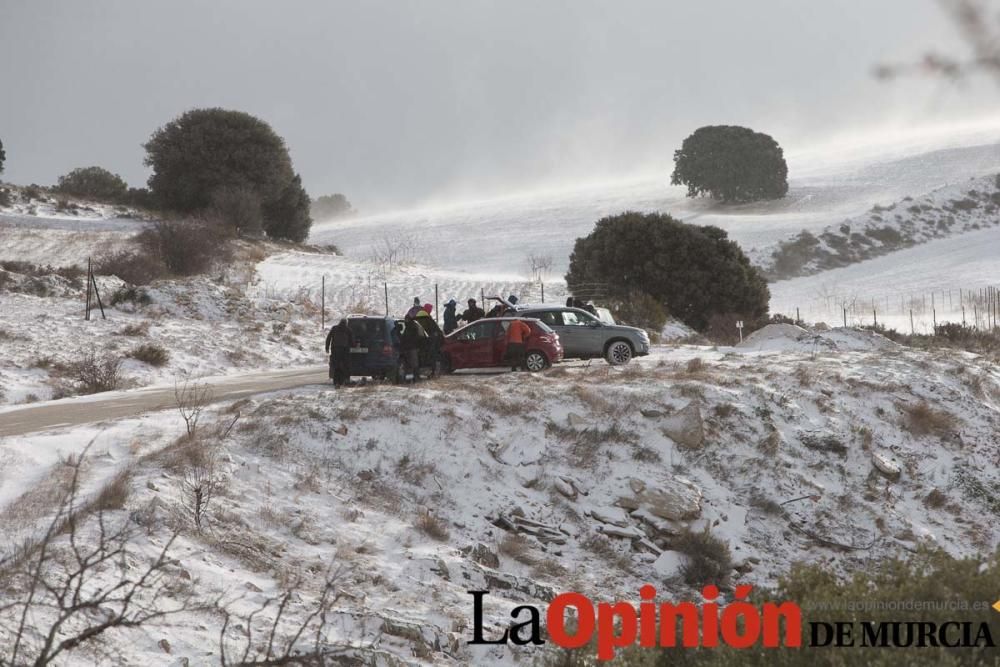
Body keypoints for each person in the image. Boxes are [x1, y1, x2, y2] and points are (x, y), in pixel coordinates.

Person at [324, 318, 354, 387]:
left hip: (335, 350)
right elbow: (351, 341)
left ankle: (336, 381)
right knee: (346, 366)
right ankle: (345, 380)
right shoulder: (348, 330)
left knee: (336, 366)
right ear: (346, 323)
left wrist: (327, 347)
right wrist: (354, 346)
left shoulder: (334, 328)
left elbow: (328, 338)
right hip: (345, 350)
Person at [400, 314, 427, 382]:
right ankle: (414, 376)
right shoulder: (409, 327)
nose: (406, 320)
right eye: (406, 319)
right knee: (411, 363)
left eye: (407, 319)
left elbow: (416, 338)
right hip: (409, 347)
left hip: (412, 347)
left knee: (414, 363)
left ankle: (415, 377)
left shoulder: (412, 327)